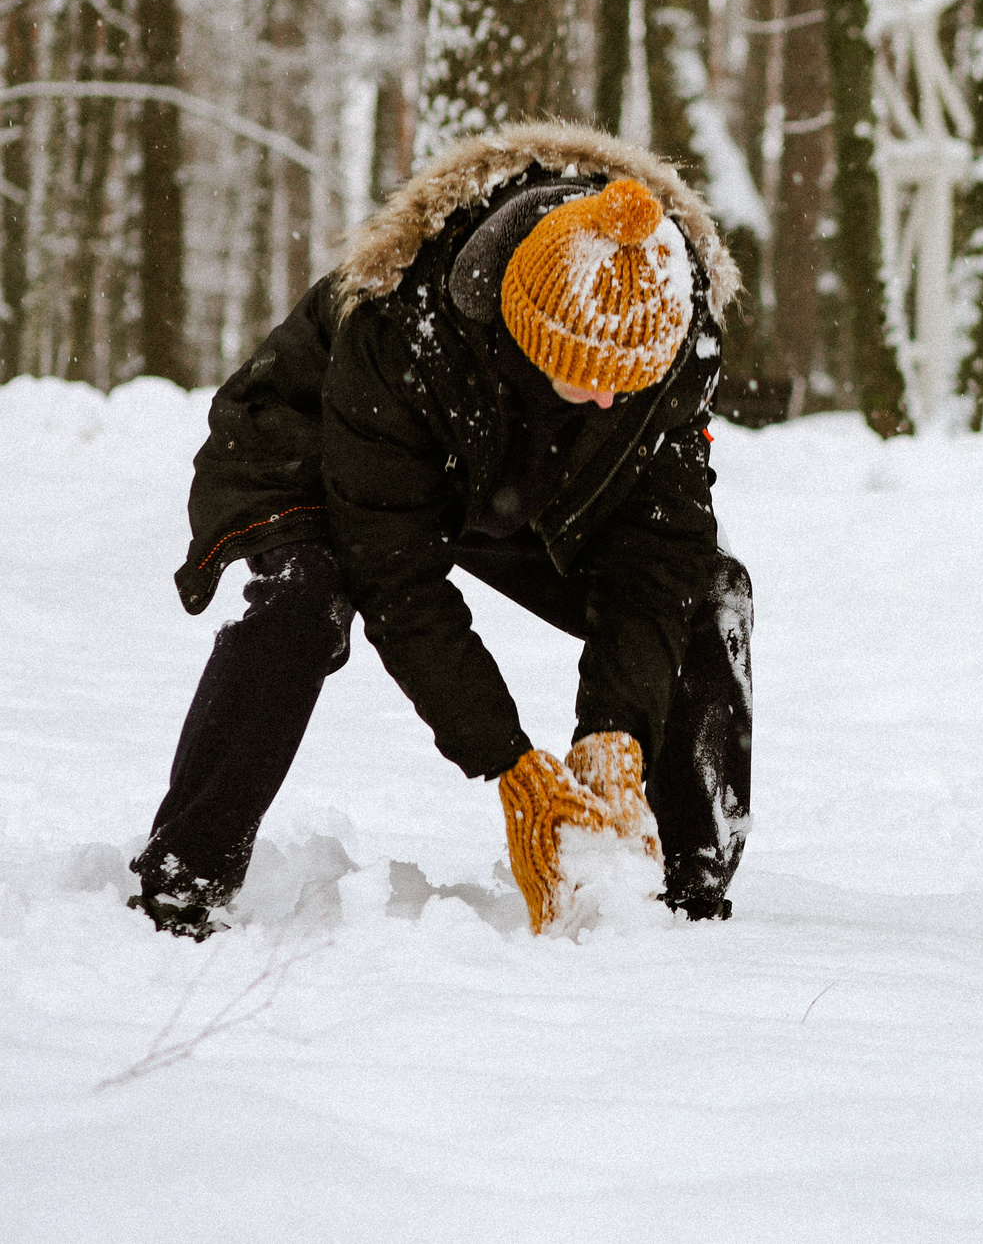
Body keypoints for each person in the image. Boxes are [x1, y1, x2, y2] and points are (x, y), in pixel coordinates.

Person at [131, 122, 752, 938]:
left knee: (709, 593)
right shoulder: (402, 325)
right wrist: (509, 760)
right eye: (590, 377)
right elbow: (397, 579)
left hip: (512, 483)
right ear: (531, 332)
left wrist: (617, 732)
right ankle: (184, 876)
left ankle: (685, 896)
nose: (612, 399)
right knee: (305, 600)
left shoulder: (669, 337)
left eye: (627, 383)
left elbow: (659, 554)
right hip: (313, 447)